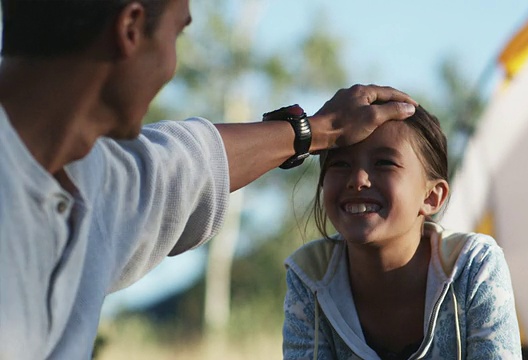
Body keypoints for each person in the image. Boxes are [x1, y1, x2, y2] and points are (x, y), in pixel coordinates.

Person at [0, 0, 418, 358]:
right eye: (175, 36)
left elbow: (190, 162)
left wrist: (319, 130)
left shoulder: (95, 179)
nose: (171, 66)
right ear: (129, 29)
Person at [282, 105, 522, 359]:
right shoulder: (310, 275)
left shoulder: (472, 266)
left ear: (431, 197)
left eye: (384, 163)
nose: (358, 179)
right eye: (340, 163)